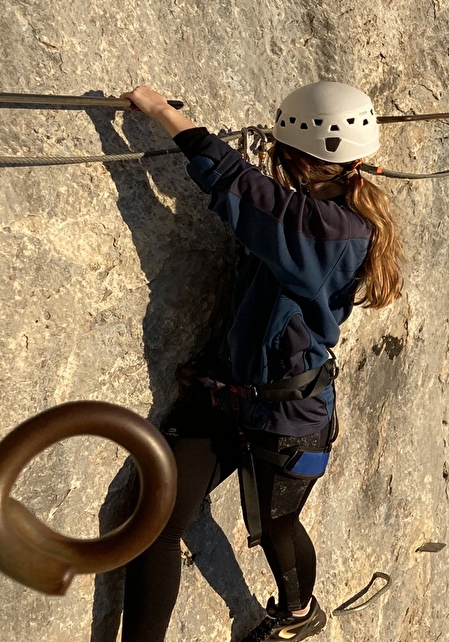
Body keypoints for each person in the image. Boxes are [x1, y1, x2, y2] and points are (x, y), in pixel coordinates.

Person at [115, 81, 401, 642]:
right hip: (233, 396)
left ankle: (299, 613)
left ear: (301, 159)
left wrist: (165, 115)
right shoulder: (326, 211)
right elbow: (272, 206)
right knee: (156, 515)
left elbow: (238, 188)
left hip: (289, 416)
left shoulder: (326, 231)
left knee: (276, 525)